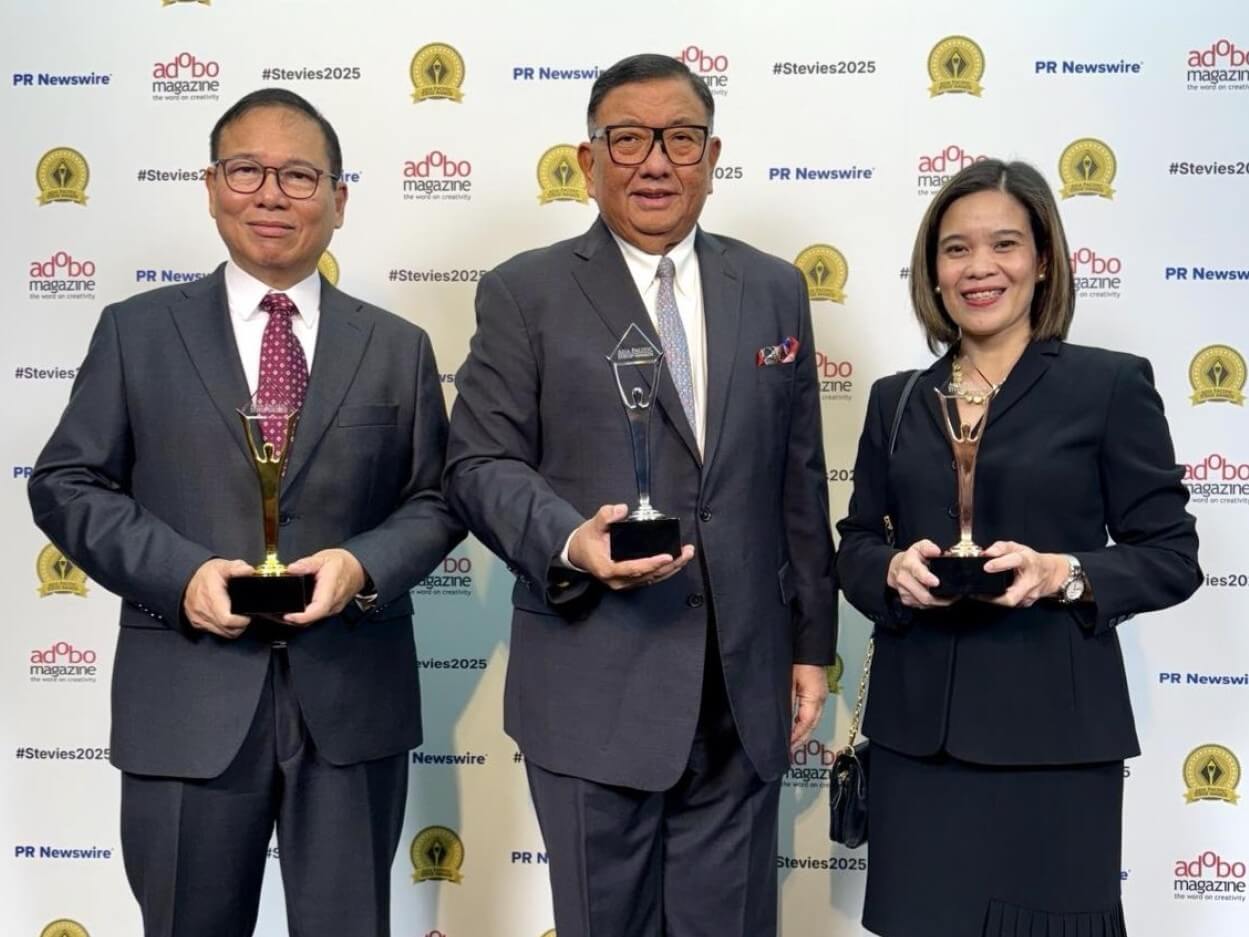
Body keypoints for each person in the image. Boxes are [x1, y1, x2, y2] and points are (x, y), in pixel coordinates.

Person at [28, 88, 463, 937]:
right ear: (210, 186)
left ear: (338, 199)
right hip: (186, 701)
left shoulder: (396, 346)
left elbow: (438, 498)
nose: (271, 194)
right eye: (246, 171)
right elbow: (66, 481)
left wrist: (361, 565)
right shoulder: (136, 332)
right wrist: (180, 576)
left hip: (350, 700)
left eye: (299, 175)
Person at [443, 53, 836, 937]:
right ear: (588, 160)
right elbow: (477, 464)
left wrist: (811, 645)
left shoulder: (773, 287)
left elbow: (798, 479)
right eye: (627, 139)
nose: (655, 161)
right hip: (592, 684)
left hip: (742, 691)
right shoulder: (524, 291)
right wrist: (569, 539)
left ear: (711, 156)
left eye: (680, 139)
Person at [836, 158, 1201, 937]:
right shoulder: (895, 399)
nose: (979, 267)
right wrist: (890, 571)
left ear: (1042, 262)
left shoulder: (1108, 386)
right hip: (917, 746)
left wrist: (1061, 573)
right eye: (955, 248)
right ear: (932, 271)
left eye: (1003, 244)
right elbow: (856, 542)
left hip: (1053, 748)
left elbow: (1171, 554)